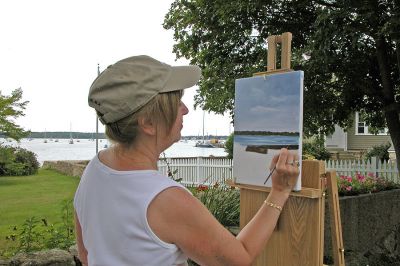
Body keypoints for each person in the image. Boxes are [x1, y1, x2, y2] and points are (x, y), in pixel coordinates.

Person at [74, 55, 300, 266]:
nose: (185, 109)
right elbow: (239, 258)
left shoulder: (95, 168)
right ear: (148, 123)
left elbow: (86, 255)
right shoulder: (165, 199)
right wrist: (279, 192)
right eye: (176, 101)